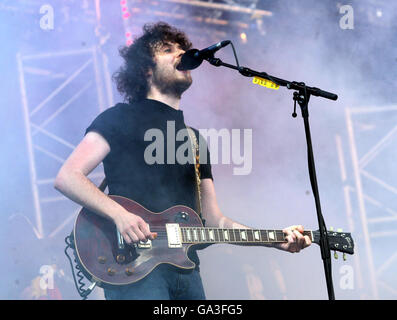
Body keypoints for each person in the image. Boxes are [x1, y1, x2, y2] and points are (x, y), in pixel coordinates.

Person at [54, 21, 311, 300]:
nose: (182, 54)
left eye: (183, 49)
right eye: (168, 49)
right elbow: (68, 177)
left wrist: (275, 240)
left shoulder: (194, 140)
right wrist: (121, 216)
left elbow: (214, 222)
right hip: (133, 269)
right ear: (145, 69)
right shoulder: (119, 118)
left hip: (187, 274)